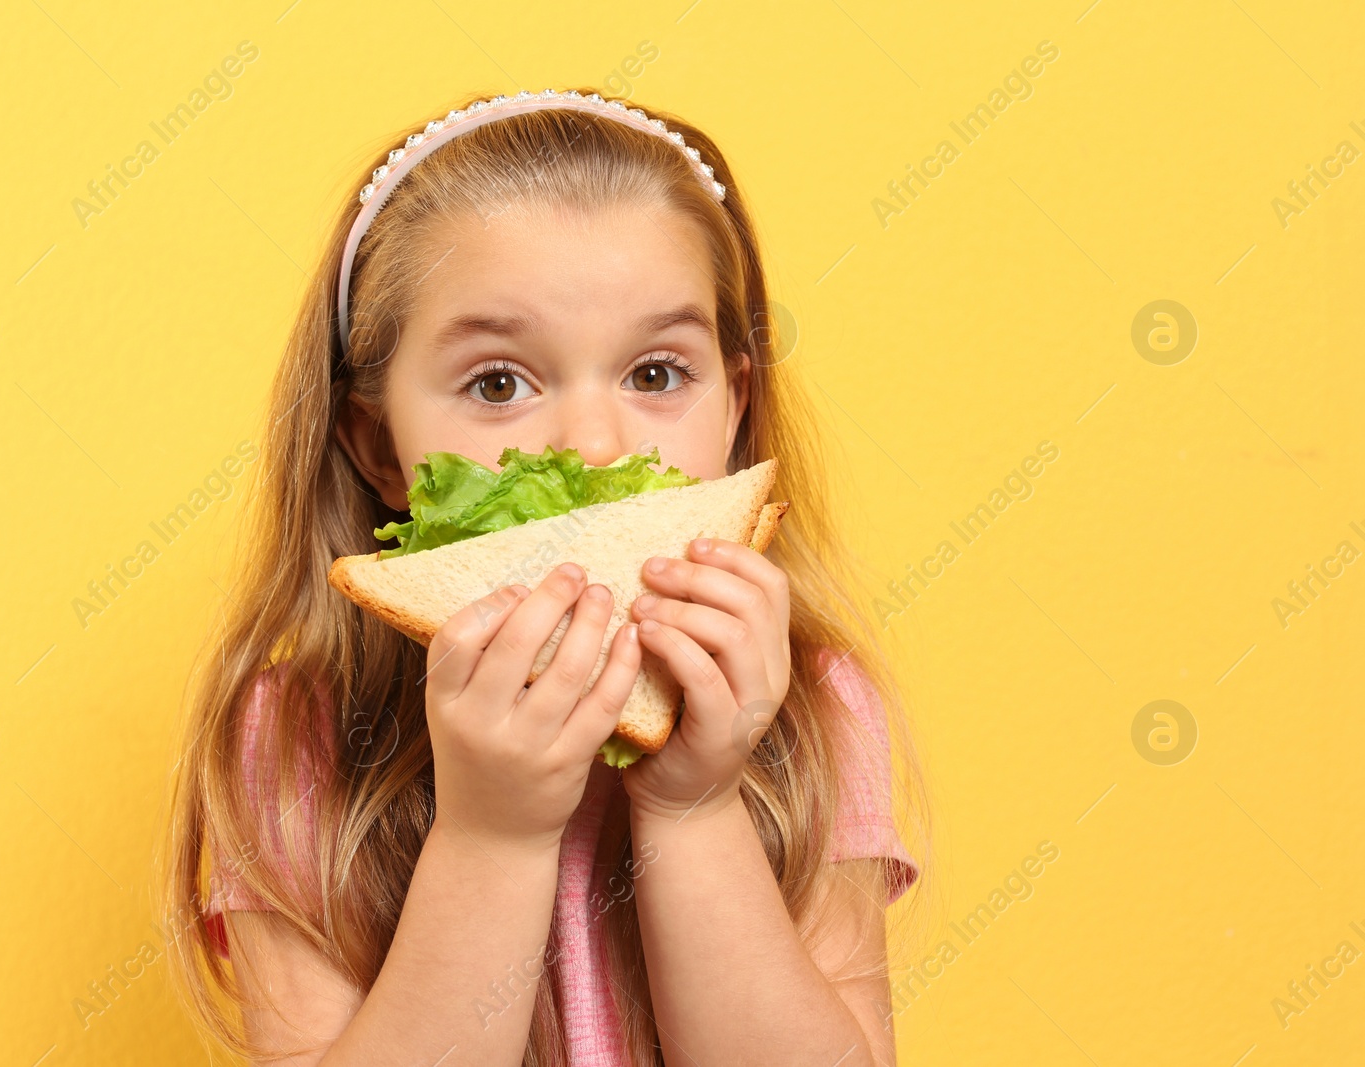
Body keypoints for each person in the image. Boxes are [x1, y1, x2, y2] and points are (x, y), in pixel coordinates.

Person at [162, 88, 926, 1066]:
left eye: (655, 374)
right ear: (378, 446)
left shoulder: (811, 705)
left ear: (735, 406)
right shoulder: (297, 729)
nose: (594, 444)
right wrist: (493, 832)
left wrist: (691, 804)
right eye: (496, 383)